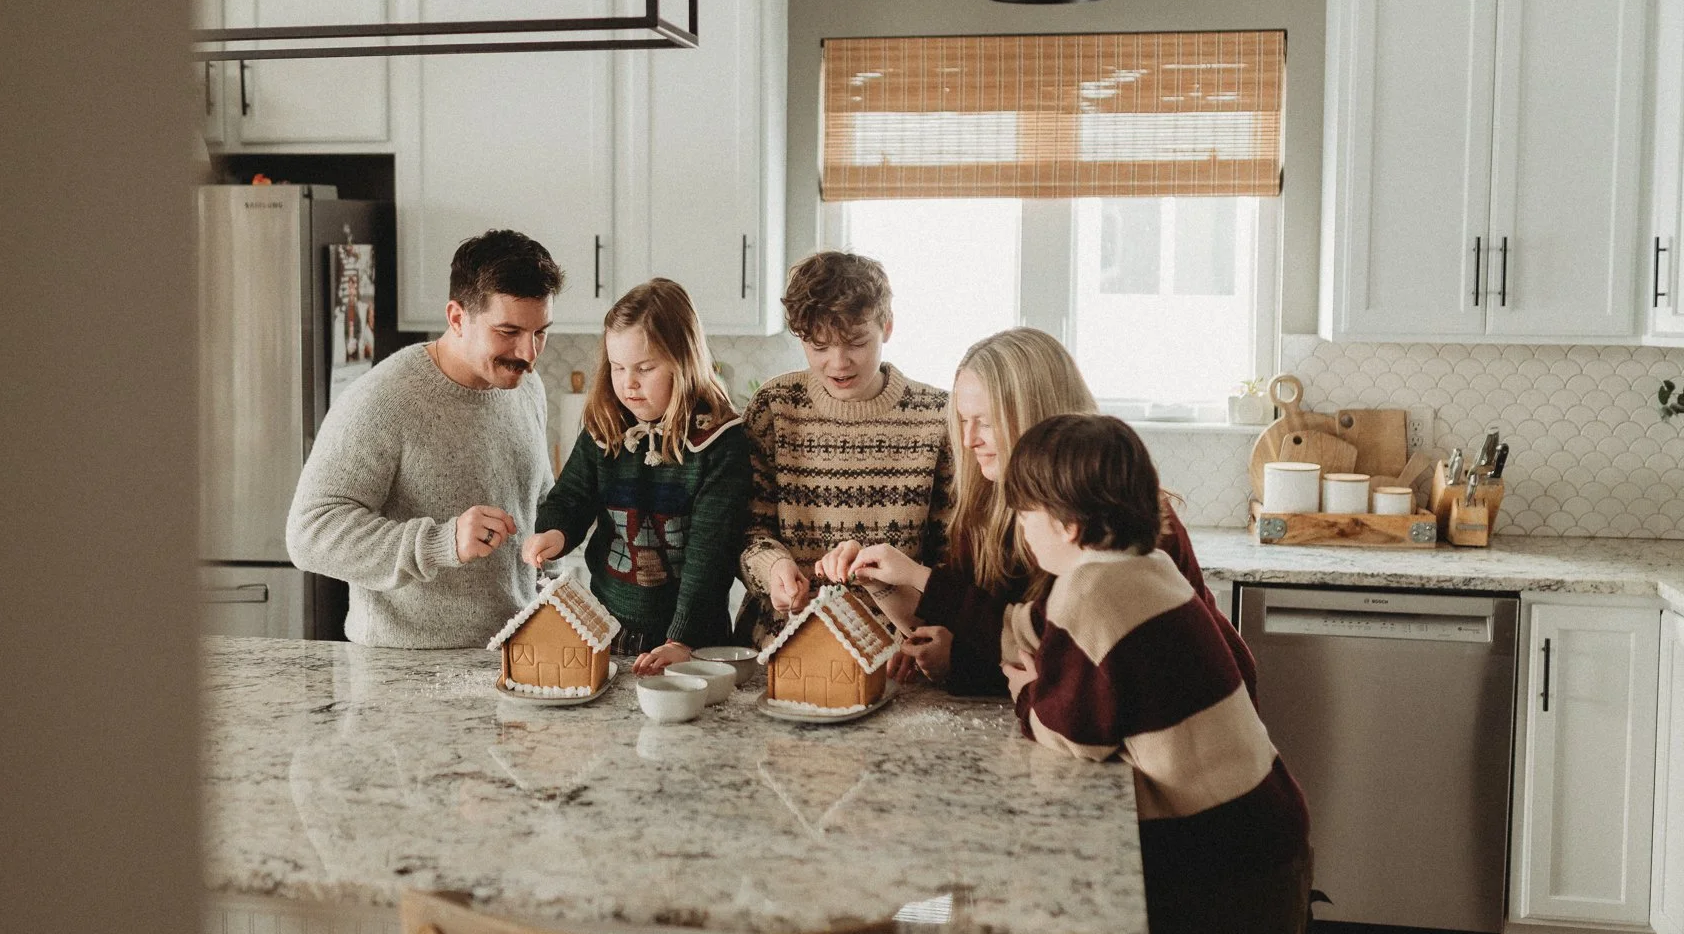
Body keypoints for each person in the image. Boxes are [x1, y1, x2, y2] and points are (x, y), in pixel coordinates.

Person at [998, 413, 1326, 934]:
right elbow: (1079, 643)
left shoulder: (1087, 588)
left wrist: (1027, 691)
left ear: (1066, 525)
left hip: (1216, 855)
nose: (1019, 526)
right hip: (1267, 822)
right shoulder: (1144, 564)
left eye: (1025, 511)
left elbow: (1073, 732)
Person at [817, 327, 1252, 692]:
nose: (968, 441)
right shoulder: (990, 497)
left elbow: (1087, 671)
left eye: (985, 422)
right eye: (963, 421)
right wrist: (886, 586)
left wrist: (967, 664)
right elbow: (978, 621)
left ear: (1036, 419)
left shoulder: (1118, 517)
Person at [285, 230, 560, 648]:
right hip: (400, 673)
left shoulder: (526, 386)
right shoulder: (382, 399)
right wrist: (440, 542)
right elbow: (309, 534)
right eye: (508, 331)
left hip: (507, 655)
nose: (528, 353)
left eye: (540, 332)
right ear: (456, 317)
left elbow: (536, 501)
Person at [521, 279, 751, 675]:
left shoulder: (719, 443)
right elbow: (571, 498)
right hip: (608, 630)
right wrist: (554, 534)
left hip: (694, 645)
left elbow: (709, 560)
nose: (628, 383)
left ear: (684, 361)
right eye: (618, 367)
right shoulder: (604, 426)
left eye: (645, 368)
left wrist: (682, 641)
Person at [734, 251, 952, 646]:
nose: (838, 363)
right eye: (819, 347)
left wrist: (928, 632)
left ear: (887, 326)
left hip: (897, 650)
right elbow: (745, 530)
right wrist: (774, 567)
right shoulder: (774, 407)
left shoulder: (937, 417)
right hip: (782, 643)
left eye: (855, 343)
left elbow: (948, 562)